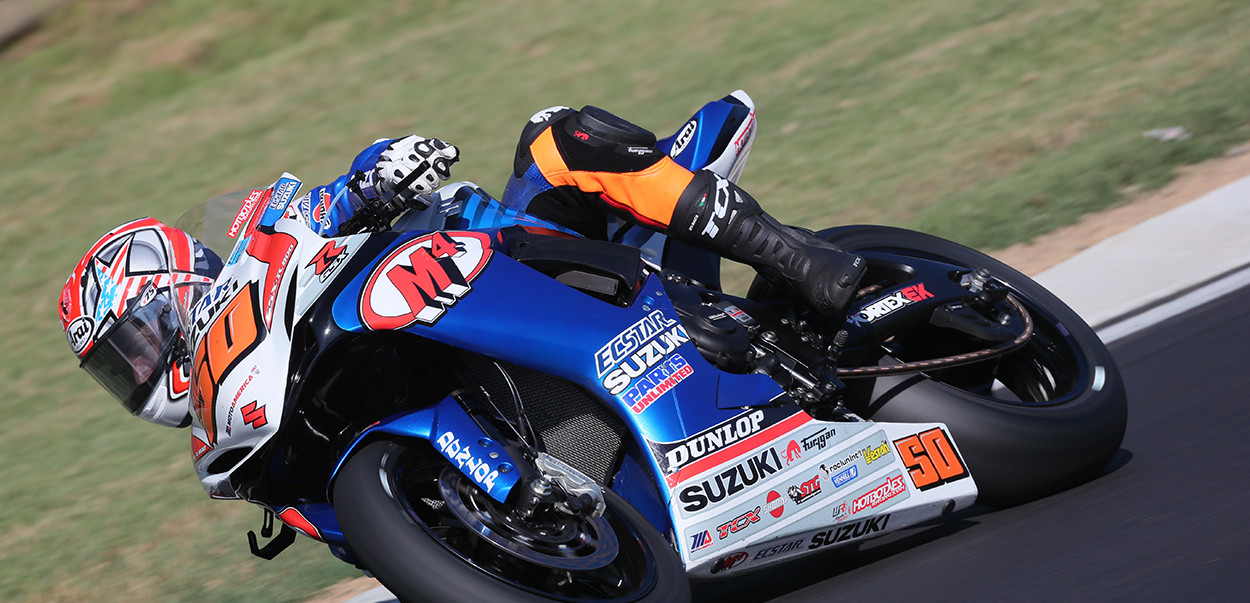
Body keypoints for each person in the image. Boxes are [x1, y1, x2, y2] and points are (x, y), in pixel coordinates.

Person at [58, 102, 865, 428]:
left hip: (523, 253)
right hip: (510, 382)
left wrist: (379, 173)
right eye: (119, 367)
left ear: (184, 284)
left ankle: (799, 257)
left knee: (555, 137)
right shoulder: (249, 420)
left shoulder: (263, 245)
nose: (142, 366)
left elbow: (332, 198)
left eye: (139, 336)